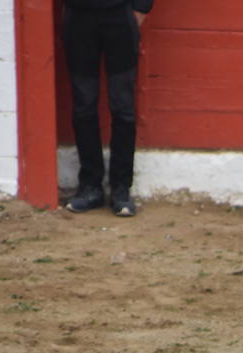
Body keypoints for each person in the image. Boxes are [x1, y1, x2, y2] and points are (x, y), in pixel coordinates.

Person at [61, 0, 152, 217]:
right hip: (78, 16)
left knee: (122, 106)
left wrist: (141, 7)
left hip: (120, 15)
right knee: (84, 104)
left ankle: (121, 188)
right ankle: (90, 186)